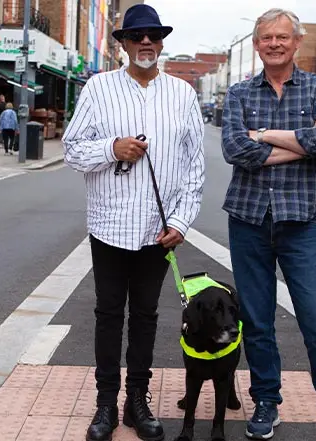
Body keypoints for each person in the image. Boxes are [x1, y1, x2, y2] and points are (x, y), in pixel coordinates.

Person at [62, 4, 204, 441]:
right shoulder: (99, 88)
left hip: (157, 232)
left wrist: (180, 222)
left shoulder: (183, 94)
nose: (146, 42)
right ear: (122, 43)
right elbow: (71, 150)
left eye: (154, 36)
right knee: (108, 315)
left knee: (145, 316)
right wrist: (112, 149)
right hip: (109, 226)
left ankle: (136, 402)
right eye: (136, 36)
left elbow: (195, 167)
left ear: (161, 43)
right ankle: (105, 404)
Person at [221, 8, 316, 441]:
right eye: (266, 38)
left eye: (282, 37)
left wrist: (263, 134)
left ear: (297, 43)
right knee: (258, 321)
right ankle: (266, 401)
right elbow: (235, 150)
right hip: (248, 219)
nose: (274, 44)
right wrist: (299, 142)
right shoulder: (240, 92)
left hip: (299, 221)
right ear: (258, 45)